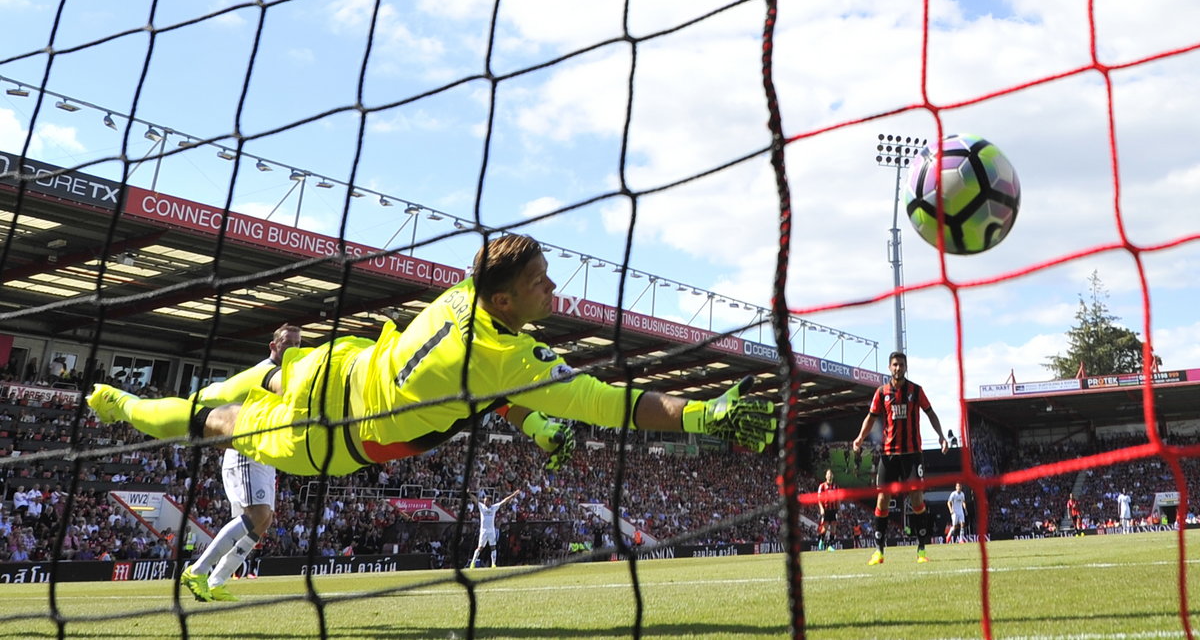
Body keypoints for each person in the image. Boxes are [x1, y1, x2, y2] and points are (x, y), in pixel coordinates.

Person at [87, 234, 776, 477]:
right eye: (541, 280)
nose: (553, 287)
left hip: (327, 366)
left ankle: (124, 403)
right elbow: (610, 403)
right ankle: (128, 407)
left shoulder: (463, 292)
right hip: (321, 437)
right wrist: (699, 415)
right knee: (209, 421)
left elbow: (478, 392)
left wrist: (533, 424)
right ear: (505, 301)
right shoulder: (511, 363)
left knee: (211, 402)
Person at [180, 324, 302, 603]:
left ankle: (216, 581)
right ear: (273, 346)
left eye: (297, 343)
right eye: (287, 342)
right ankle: (197, 571)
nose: (293, 348)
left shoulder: (289, 375)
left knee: (263, 520)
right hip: (246, 449)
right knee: (257, 515)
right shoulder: (264, 373)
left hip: (265, 453)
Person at [852, 351, 948, 566]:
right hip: (888, 455)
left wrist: (941, 436)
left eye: (901, 364)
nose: (898, 368)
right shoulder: (881, 392)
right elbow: (871, 418)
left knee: (916, 499)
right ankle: (879, 551)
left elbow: (930, 413)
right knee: (882, 499)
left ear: (906, 367)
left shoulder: (916, 390)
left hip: (913, 454)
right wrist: (859, 438)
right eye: (895, 365)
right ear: (889, 367)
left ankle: (921, 550)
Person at [469, 489, 520, 568]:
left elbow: (504, 501)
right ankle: (473, 562)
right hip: (483, 531)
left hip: (491, 531)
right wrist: (469, 493)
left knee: (493, 547)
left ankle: (493, 564)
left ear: (489, 501)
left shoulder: (494, 507)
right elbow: (475, 499)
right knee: (480, 548)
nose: (485, 502)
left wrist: (513, 495)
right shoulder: (482, 507)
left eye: (486, 501)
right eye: (484, 501)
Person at [816, 469, 838, 551]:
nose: (830, 476)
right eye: (828, 474)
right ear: (826, 476)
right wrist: (821, 508)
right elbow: (819, 499)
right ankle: (821, 540)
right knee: (824, 528)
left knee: (833, 527)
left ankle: (830, 545)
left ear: (833, 476)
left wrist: (839, 509)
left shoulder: (835, 486)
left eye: (831, 474)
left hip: (833, 509)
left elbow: (838, 499)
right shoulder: (822, 486)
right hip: (826, 510)